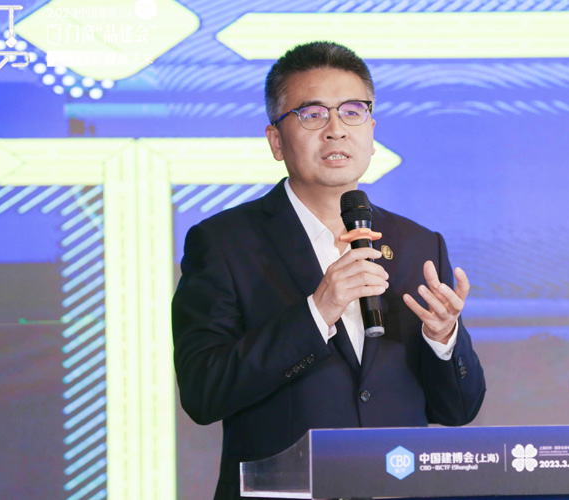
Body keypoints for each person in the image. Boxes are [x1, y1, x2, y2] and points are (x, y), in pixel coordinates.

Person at [172, 41, 486, 500]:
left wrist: (444, 341)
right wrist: (318, 311)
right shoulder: (223, 243)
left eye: (353, 112)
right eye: (313, 114)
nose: (336, 130)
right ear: (276, 140)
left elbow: (457, 410)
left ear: (371, 131)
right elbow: (203, 393)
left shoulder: (419, 244)